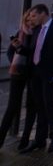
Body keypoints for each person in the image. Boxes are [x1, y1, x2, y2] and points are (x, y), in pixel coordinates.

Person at [20, 3, 53, 154]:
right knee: (39, 106)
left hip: (49, 73)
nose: (31, 19)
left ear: (43, 14)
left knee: (49, 104)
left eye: (34, 16)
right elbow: (33, 50)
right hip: (35, 73)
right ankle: (39, 140)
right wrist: (20, 48)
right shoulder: (36, 30)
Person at [0, 10, 34, 147]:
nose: (29, 23)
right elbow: (10, 51)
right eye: (27, 20)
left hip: (32, 72)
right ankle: (1, 138)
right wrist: (15, 62)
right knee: (12, 106)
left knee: (31, 105)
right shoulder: (20, 33)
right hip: (18, 73)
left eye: (31, 20)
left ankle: (25, 138)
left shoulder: (38, 33)